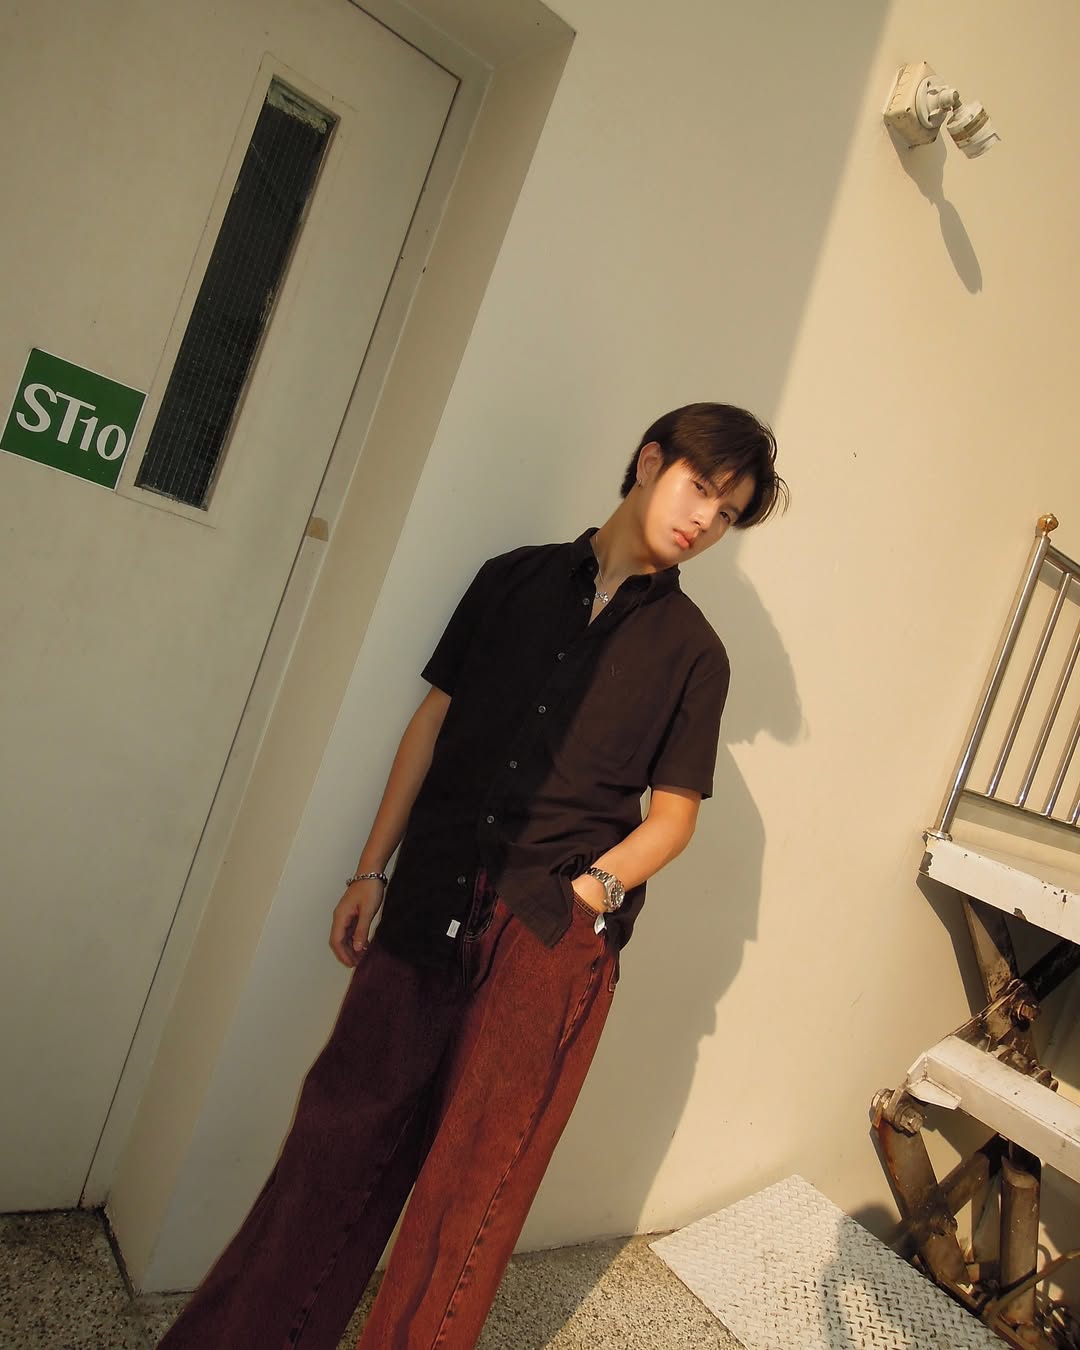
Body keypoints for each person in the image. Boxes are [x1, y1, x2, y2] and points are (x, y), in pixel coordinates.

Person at [159, 402, 787, 1349]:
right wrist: (370, 870)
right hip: (429, 900)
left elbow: (673, 818)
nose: (705, 519)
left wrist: (588, 894)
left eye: (727, 513)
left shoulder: (694, 653)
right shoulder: (510, 580)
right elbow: (432, 724)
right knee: (330, 1153)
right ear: (649, 461)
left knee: (469, 1203)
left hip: (545, 940)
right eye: (700, 487)